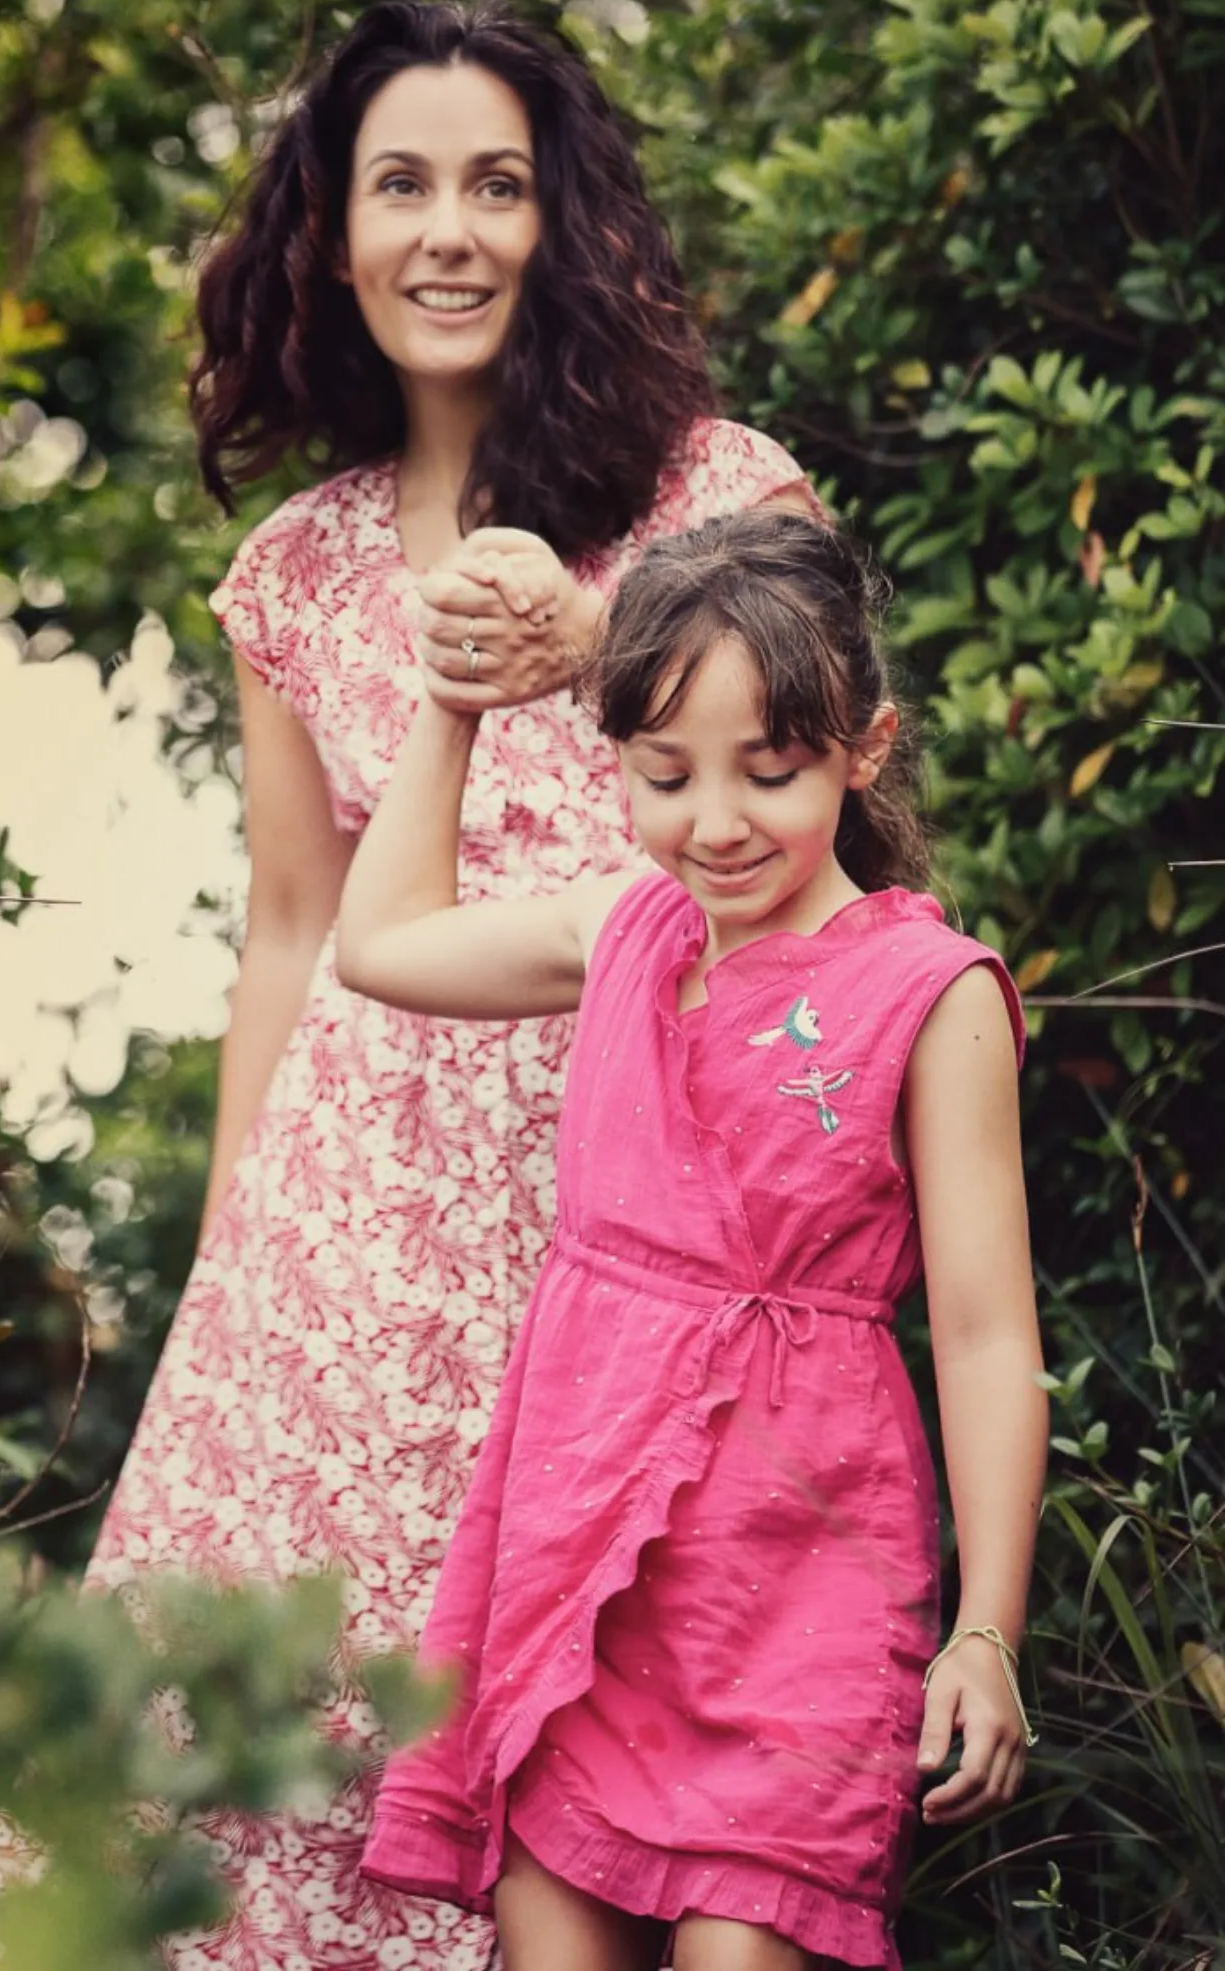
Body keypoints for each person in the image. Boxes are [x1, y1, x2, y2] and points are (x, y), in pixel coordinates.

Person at [0, 0, 819, 1968]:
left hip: (633, 1204)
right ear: (333, 237)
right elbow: (290, 928)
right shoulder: (298, 567)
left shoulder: (725, 493)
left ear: (561, 226)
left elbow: (824, 826)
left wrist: (597, 633)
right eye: (401, 184)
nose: (450, 229)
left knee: (586, 1736)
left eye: (497, 185)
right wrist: (232, 1280)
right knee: (267, 1734)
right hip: (348, 1249)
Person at [338, 510, 1048, 1971]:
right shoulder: (625, 927)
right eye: (665, 775)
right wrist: (452, 703)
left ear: (864, 745)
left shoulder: (932, 991)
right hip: (580, 1548)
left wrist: (987, 1630)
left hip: (801, 1568)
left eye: (768, 772)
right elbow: (382, 938)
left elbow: (983, 1336)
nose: (715, 822)